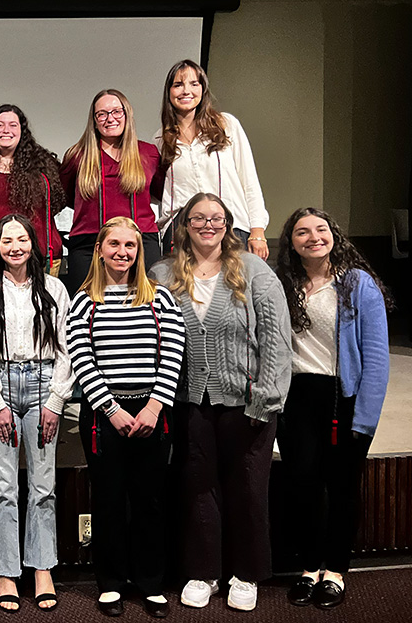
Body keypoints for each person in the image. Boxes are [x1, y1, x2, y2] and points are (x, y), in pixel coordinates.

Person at [149, 193, 291, 612]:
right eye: (198, 217)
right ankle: (204, 570)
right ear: (185, 224)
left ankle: (245, 574)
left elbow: (277, 339)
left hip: (247, 402)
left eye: (216, 218)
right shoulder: (162, 273)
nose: (207, 224)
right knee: (197, 485)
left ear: (227, 224)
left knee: (248, 487)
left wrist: (267, 397)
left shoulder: (253, 270)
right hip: (190, 402)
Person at [67, 216, 185, 618]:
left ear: (139, 251)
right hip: (104, 415)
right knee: (109, 500)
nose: (122, 252)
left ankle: (151, 582)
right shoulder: (84, 301)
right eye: (113, 244)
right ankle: (112, 582)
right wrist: (112, 410)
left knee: (150, 499)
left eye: (130, 246)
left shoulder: (159, 298)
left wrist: (154, 406)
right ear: (100, 249)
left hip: (153, 411)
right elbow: (81, 359)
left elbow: (173, 354)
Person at [275, 208, 391, 609]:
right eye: (302, 232)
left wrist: (366, 419)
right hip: (296, 396)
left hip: (343, 396)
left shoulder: (356, 283)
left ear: (333, 236)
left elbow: (376, 356)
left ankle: (336, 570)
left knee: (341, 488)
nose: (313, 237)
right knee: (303, 484)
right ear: (290, 241)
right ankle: (309, 568)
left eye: (320, 230)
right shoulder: (284, 285)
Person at [0, 214, 74, 612]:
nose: (15, 246)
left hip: (44, 382)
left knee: (43, 485)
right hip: (1, 382)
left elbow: (68, 347)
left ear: (33, 244)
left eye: (22, 239)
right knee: (4, 487)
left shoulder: (55, 289)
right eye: (7, 240)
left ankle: (42, 568)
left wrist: (57, 400)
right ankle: (7, 572)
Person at [155, 60, 269, 259]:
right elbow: (158, 196)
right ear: (169, 92)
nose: (186, 91)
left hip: (231, 229)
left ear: (203, 89)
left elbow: (249, 180)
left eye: (193, 84)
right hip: (182, 234)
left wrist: (257, 231)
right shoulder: (160, 139)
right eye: (178, 85)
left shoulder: (226, 124)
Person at [60, 89, 164, 295]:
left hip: (141, 240)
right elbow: (68, 197)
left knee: (146, 303)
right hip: (88, 245)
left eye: (117, 111)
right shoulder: (77, 156)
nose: (110, 119)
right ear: (94, 120)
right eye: (102, 114)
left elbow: (159, 192)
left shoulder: (148, 153)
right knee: (88, 307)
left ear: (127, 115)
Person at [0, 105, 66, 280]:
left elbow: (58, 201)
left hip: (37, 258)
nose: (6, 130)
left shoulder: (44, 166)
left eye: (13, 125)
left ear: (22, 131)